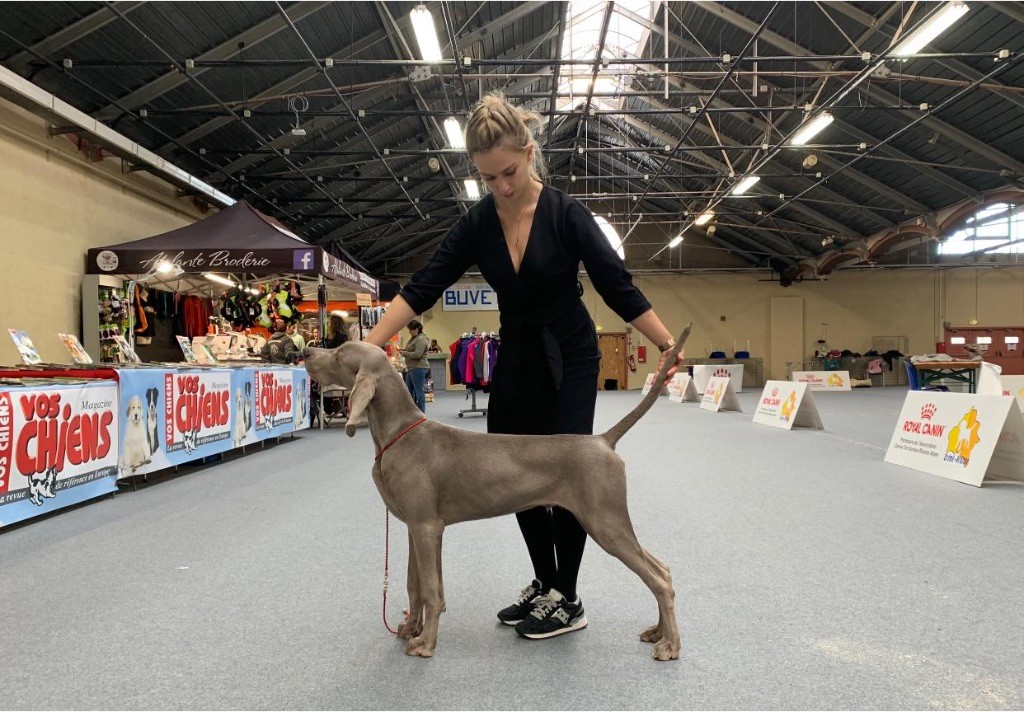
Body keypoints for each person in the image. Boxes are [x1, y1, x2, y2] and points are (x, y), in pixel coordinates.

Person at [365, 92, 683, 641]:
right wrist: (366, 350)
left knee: (570, 471)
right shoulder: (478, 223)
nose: (502, 187)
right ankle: (544, 581)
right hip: (517, 355)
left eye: (509, 172)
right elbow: (424, 287)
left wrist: (665, 345)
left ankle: (568, 595)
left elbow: (616, 284)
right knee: (511, 475)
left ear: (530, 153)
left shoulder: (566, 214)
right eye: (489, 179)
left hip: (571, 353)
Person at [400, 319, 430, 412]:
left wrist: (404, 353)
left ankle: (421, 412)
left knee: (418, 391)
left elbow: (418, 354)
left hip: (419, 367)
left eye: (411, 330)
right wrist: (403, 349)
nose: (409, 332)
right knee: (409, 390)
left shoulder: (421, 339)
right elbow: (412, 349)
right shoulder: (415, 338)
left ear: (417, 329)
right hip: (412, 367)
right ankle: (412, 411)